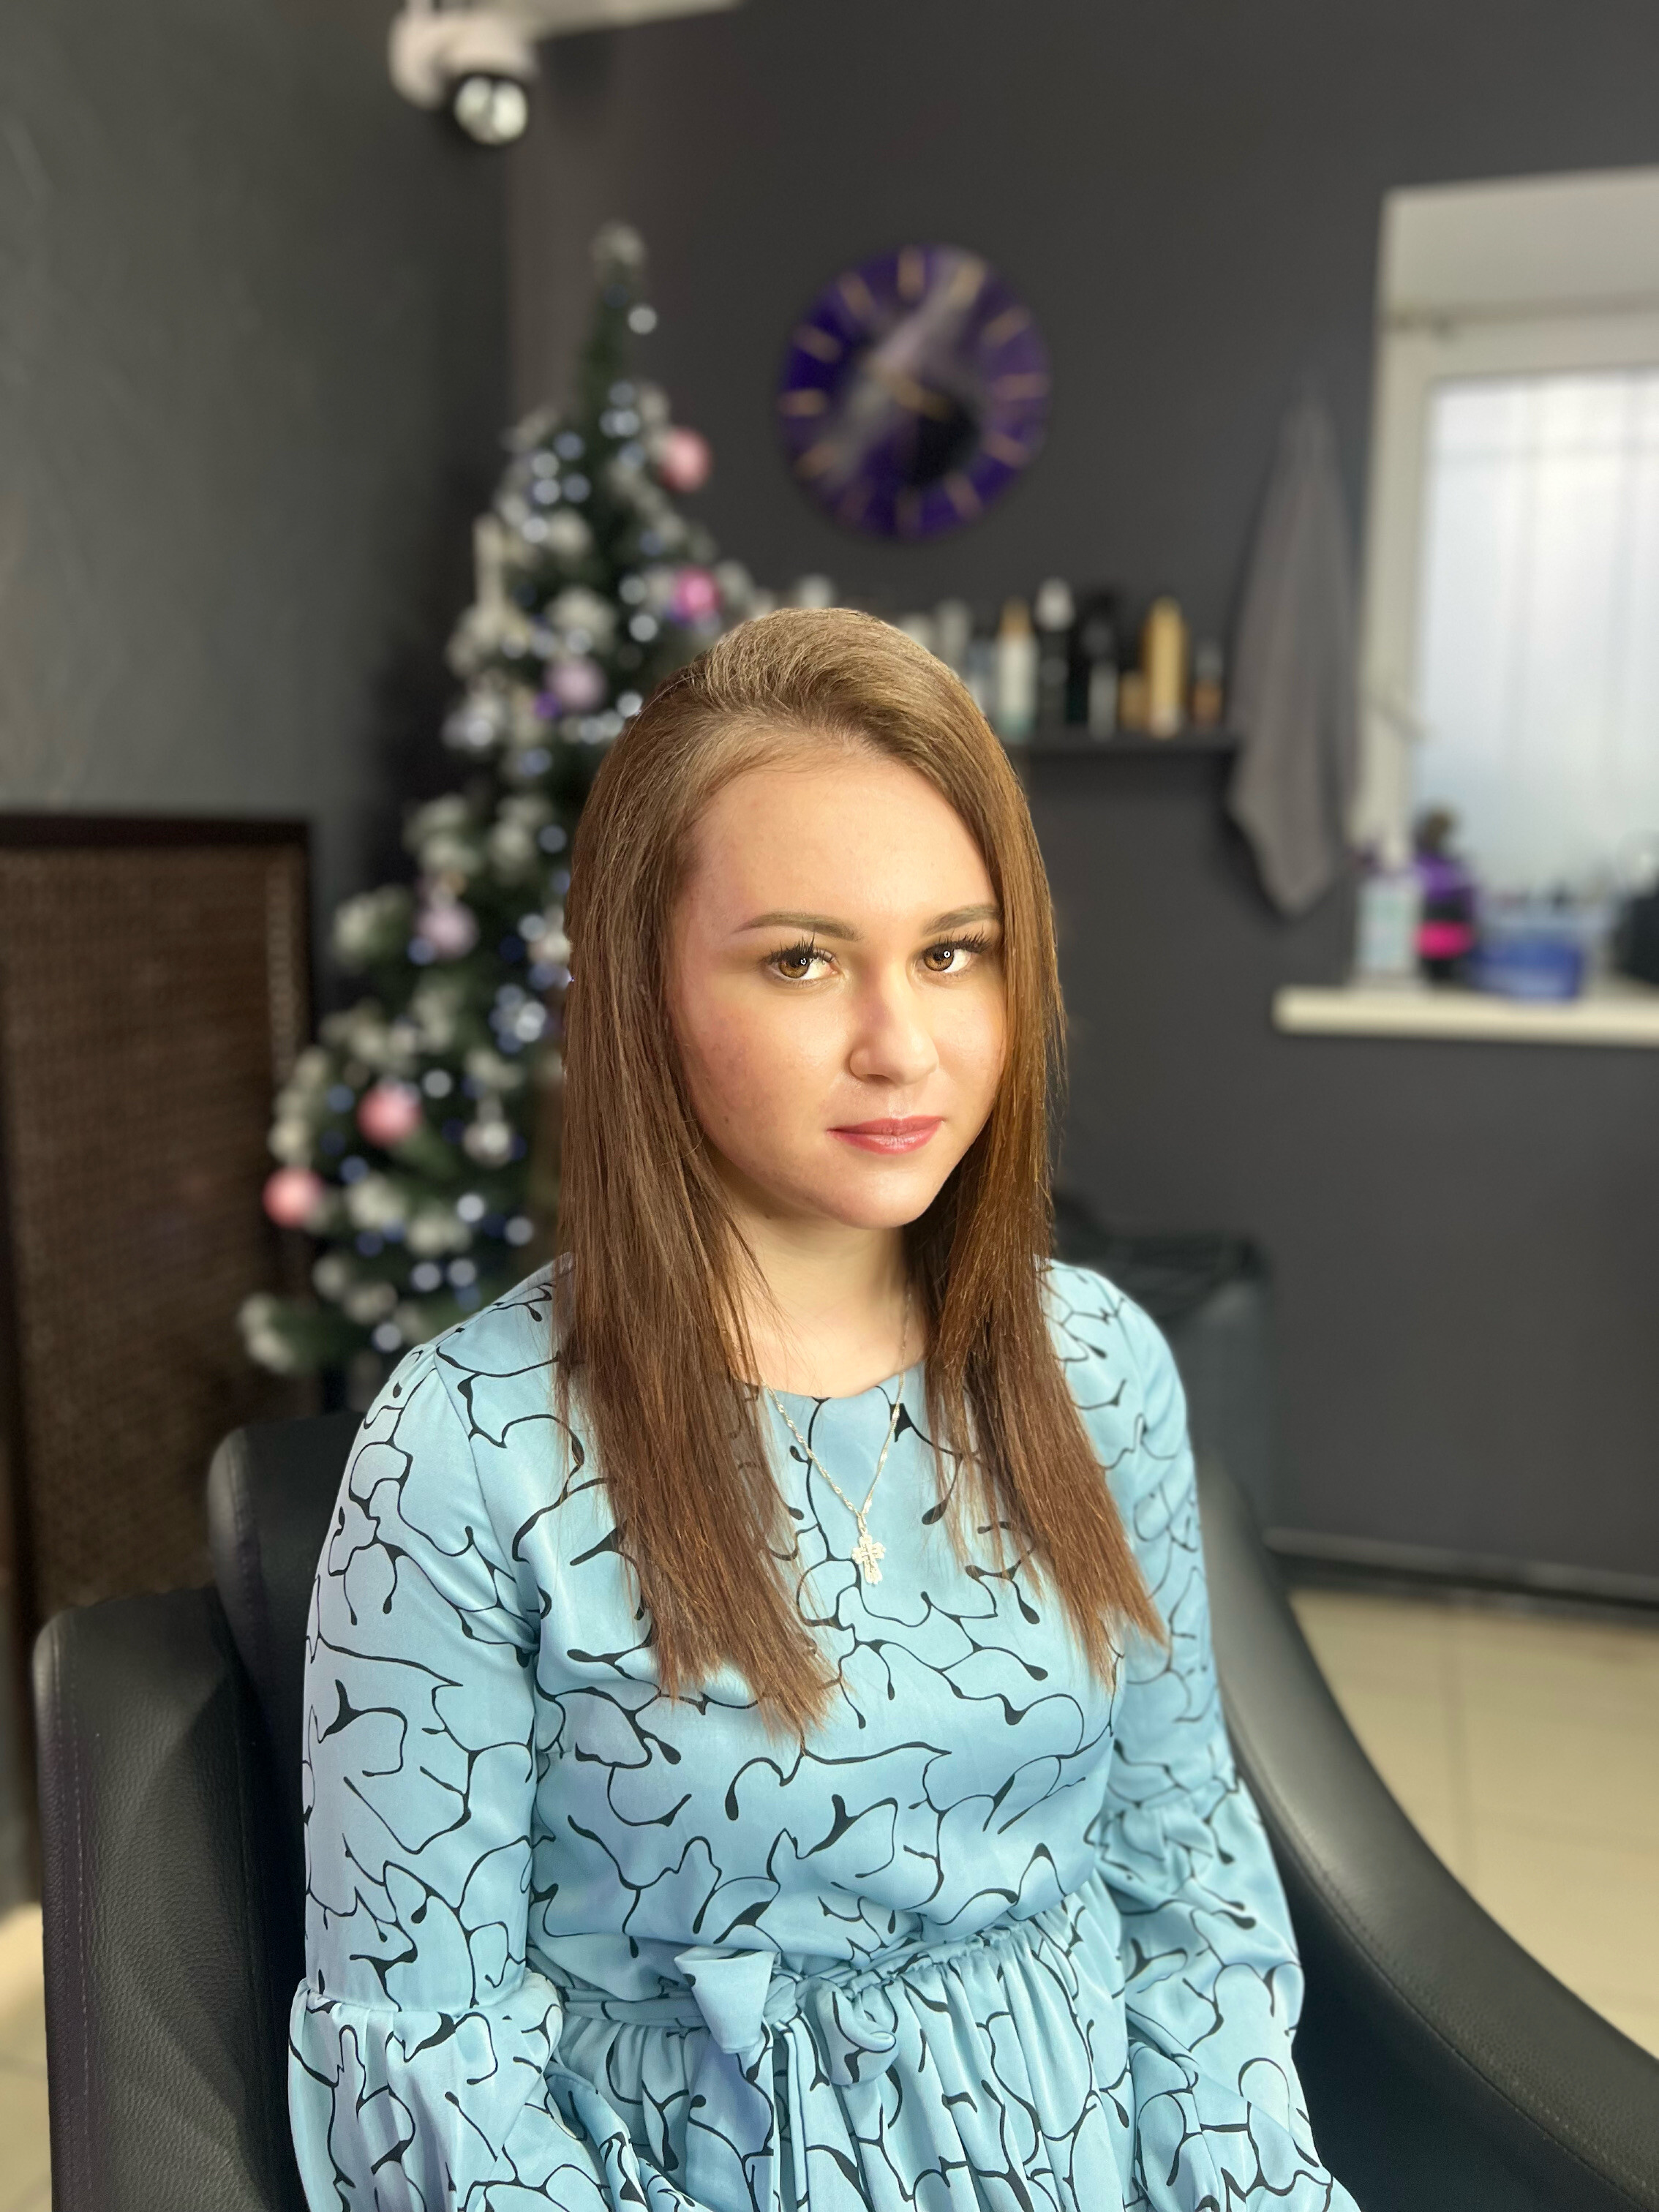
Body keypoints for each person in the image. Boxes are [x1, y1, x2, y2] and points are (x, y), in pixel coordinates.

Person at [290, 609, 1358, 2212]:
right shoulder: (464, 1451)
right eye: (801, 960)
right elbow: (426, 2052)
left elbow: (1184, 1878)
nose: (902, 1046)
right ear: (642, 989)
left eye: (953, 952)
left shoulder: (1099, 1366)